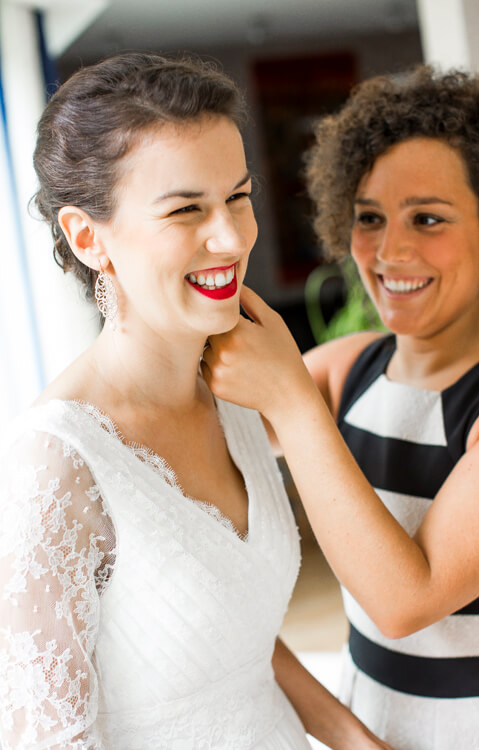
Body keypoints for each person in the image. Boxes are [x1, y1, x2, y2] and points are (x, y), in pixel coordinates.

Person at [0, 53, 393, 750]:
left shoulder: (235, 395)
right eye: (187, 209)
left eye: (238, 197)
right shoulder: (54, 466)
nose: (232, 237)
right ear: (88, 238)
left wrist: (357, 740)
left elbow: (234, 640)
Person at [202, 66, 479, 749]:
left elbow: (403, 603)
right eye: (369, 218)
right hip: (372, 721)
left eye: (428, 218)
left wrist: (291, 401)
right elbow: (186, 441)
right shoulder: (349, 368)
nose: (390, 251)